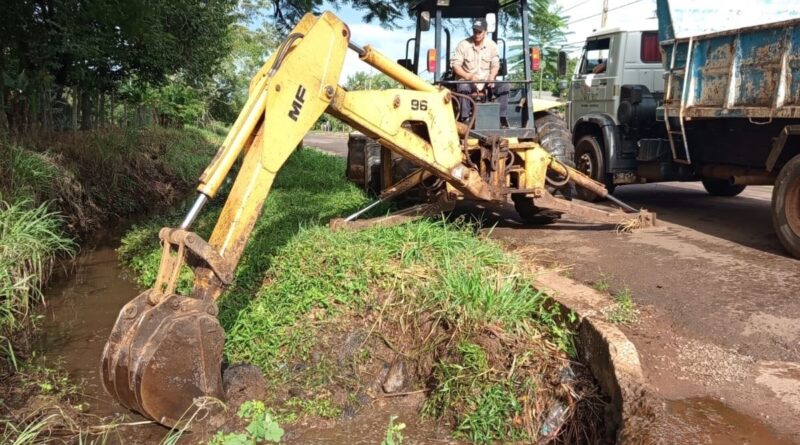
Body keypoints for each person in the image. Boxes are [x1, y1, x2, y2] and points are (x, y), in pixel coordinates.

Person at [451, 18, 509, 127]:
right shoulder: (463, 45)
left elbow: (495, 64)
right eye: (475, 31)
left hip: (486, 81)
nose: (476, 34)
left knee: (504, 86)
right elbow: (456, 66)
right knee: (463, 86)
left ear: (486, 32)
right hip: (468, 81)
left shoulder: (492, 46)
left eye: (479, 31)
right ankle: (465, 120)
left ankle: (501, 118)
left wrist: (492, 76)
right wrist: (468, 76)